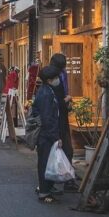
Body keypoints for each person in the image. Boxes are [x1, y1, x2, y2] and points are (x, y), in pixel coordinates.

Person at [31, 64, 63, 203]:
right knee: (45, 161)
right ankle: (44, 192)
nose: (58, 79)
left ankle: (45, 187)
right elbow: (47, 118)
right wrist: (56, 137)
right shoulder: (46, 94)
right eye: (56, 77)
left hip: (46, 133)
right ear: (49, 80)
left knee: (46, 161)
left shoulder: (46, 90)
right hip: (46, 134)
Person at [48, 53, 77, 191]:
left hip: (61, 116)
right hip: (55, 117)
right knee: (57, 147)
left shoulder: (62, 75)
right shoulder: (53, 78)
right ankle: (52, 180)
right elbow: (55, 100)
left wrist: (66, 100)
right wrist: (67, 99)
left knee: (65, 148)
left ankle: (66, 179)